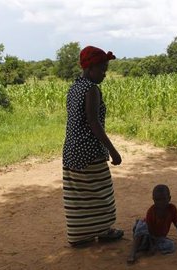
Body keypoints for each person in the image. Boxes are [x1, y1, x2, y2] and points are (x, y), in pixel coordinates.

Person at [62, 45, 124, 248]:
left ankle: (79, 236)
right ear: (90, 69)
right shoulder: (91, 89)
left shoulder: (75, 87)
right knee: (101, 192)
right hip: (89, 151)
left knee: (79, 196)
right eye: (102, 69)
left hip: (71, 150)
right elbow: (93, 122)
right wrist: (113, 151)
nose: (105, 73)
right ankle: (104, 231)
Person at [127, 184, 177, 264]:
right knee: (143, 226)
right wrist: (152, 245)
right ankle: (133, 252)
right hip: (146, 234)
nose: (161, 202)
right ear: (153, 200)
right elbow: (150, 230)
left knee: (170, 245)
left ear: (169, 199)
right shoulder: (151, 211)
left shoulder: (172, 209)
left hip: (158, 238)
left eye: (163, 199)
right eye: (157, 200)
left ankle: (145, 247)